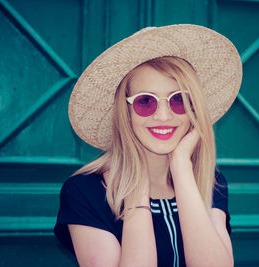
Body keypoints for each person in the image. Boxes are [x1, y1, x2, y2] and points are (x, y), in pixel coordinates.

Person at [54, 24, 242, 267]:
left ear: (194, 110)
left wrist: (182, 166)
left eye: (179, 100)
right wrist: (136, 186)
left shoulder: (210, 182)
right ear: (125, 112)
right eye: (145, 101)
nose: (163, 116)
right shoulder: (85, 191)